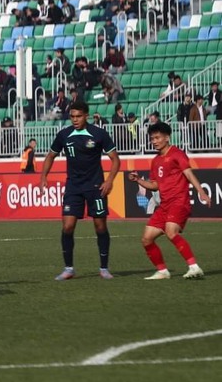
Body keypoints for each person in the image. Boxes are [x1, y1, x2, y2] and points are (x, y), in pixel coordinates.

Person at [40, 102, 121, 281]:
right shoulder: (64, 135)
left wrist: (109, 181)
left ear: (86, 116)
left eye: (78, 116)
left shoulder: (98, 134)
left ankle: (104, 268)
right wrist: (43, 176)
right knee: (67, 227)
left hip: (95, 187)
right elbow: (51, 155)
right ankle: (68, 268)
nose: (75, 120)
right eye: (72, 117)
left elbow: (115, 159)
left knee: (100, 226)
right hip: (73, 187)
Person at [129, 122, 212, 280]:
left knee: (170, 232)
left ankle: (194, 267)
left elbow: (188, 174)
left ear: (167, 138)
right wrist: (138, 180)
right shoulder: (155, 161)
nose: (154, 141)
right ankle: (162, 271)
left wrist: (201, 192)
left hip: (179, 201)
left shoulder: (177, 154)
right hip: (165, 205)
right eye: (152, 138)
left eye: (157, 137)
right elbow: (154, 186)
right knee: (147, 239)